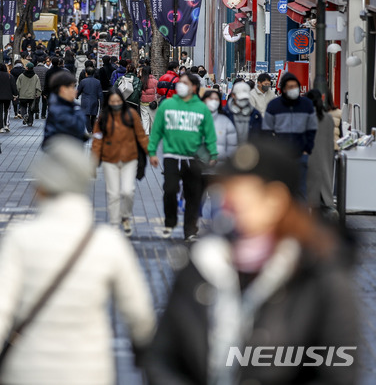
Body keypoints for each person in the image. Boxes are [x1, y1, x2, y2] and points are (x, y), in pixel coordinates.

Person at [145, 139, 359, 385]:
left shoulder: (318, 277)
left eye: (242, 192)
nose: (227, 202)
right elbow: (162, 358)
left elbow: (338, 373)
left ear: (275, 200)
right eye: (227, 190)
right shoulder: (202, 264)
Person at [0, 136, 156, 385]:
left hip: (25, 370)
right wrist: (145, 353)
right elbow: (139, 313)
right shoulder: (108, 243)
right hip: (89, 370)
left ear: (42, 188)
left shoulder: (20, 240)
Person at [148, 73, 218, 242]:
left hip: (193, 158)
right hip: (172, 156)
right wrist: (152, 152)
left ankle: (190, 230)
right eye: (180, 82)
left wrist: (213, 153)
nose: (180, 85)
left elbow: (209, 133)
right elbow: (157, 129)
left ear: (194, 87)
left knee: (193, 195)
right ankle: (170, 220)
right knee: (170, 190)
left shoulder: (201, 109)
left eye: (185, 83)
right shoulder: (168, 105)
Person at [92, 88, 149, 237]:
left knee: (128, 191)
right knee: (113, 194)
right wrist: (93, 161)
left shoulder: (132, 115)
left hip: (129, 159)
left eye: (118, 101)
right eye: (113, 102)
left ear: (122, 101)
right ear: (108, 102)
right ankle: (114, 224)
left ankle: (125, 215)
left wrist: (152, 153)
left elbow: (141, 136)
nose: (116, 104)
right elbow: (97, 141)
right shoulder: (103, 118)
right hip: (109, 160)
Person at [262, 72, 317, 200]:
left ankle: (301, 218)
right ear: (283, 89)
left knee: (301, 190)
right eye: (290, 87)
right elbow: (266, 130)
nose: (293, 89)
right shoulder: (274, 105)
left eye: (295, 86)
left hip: (301, 154)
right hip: (280, 156)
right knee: (280, 190)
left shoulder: (307, 105)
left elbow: (312, 129)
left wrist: (307, 149)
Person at [305, 89, 336, 212]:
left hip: (308, 159)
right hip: (325, 159)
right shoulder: (328, 118)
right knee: (324, 188)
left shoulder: (306, 117)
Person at [44, 71, 88, 146]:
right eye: (72, 87)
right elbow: (78, 127)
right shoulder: (59, 110)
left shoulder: (65, 105)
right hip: (62, 152)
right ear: (63, 89)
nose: (75, 91)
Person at [203, 89, 237, 161]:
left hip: (220, 167)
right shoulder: (197, 119)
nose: (213, 101)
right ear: (204, 100)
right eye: (211, 98)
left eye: (216, 99)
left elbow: (232, 146)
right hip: (198, 168)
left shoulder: (225, 122)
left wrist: (227, 160)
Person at [0, 63, 18, 133]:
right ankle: (6, 125)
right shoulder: (9, 76)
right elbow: (13, 86)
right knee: (7, 111)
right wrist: (15, 95)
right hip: (7, 96)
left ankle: (0, 126)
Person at [77, 66, 102, 134]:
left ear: (86, 73)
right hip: (94, 100)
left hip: (85, 100)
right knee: (94, 115)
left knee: (86, 115)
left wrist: (76, 96)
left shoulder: (83, 81)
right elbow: (100, 93)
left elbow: (79, 90)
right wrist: (102, 103)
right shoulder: (98, 82)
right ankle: (93, 128)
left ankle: (89, 129)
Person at [16, 62, 42, 127]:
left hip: (23, 95)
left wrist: (17, 93)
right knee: (31, 109)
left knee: (23, 106)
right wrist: (38, 94)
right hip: (32, 95)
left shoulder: (21, 76)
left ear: (27, 68)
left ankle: (24, 115)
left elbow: (17, 85)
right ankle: (30, 122)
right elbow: (38, 86)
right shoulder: (35, 76)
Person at [139, 65, 158, 135]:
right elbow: (158, 92)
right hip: (152, 103)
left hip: (143, 103)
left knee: (144, 119)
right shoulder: (155, 81)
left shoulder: (141, 81)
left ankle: (145, 134)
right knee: (153, 119)